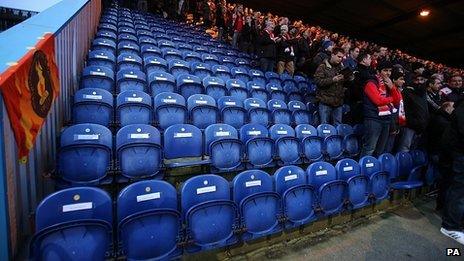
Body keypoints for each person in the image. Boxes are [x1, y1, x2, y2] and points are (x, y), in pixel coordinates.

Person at [360, 60, 402, 156]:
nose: (388, 73)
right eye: (385, 70)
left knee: (380, 150)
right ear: (378, 71)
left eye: (390, 71)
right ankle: (364, 169)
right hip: (373, 119)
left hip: (386, 120)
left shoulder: (389, 84)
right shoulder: (371, 83)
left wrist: (392, 87)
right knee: (369, 148)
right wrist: (391, 98)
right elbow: (378, 101)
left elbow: (398, 101)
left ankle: (374, 170)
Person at [440, 98, 464, 245]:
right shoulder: (462, 110)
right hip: (460, 155)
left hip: (458, 154)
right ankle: (450, 226)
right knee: (459, 191)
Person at [396, 72, 430, 152]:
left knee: (413, 149)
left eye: (422, 80)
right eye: (417, 80)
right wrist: (412, 122)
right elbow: (403, 110)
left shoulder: (424, 94)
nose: (419, 82)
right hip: (409, 127)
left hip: (420, 127)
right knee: (404, 148)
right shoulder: (407, 92)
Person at [313, 47, 347, 125]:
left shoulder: (341, 68)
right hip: (325, 101)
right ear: (332, 55)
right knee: (324, 126)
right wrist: (332, 80)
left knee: (338, 126)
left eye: (342, 57)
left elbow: (344, 85)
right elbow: (318, 81)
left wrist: (349, 78)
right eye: (339, 56)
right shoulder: (323, 66)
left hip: (338, 102)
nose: (340, 59)